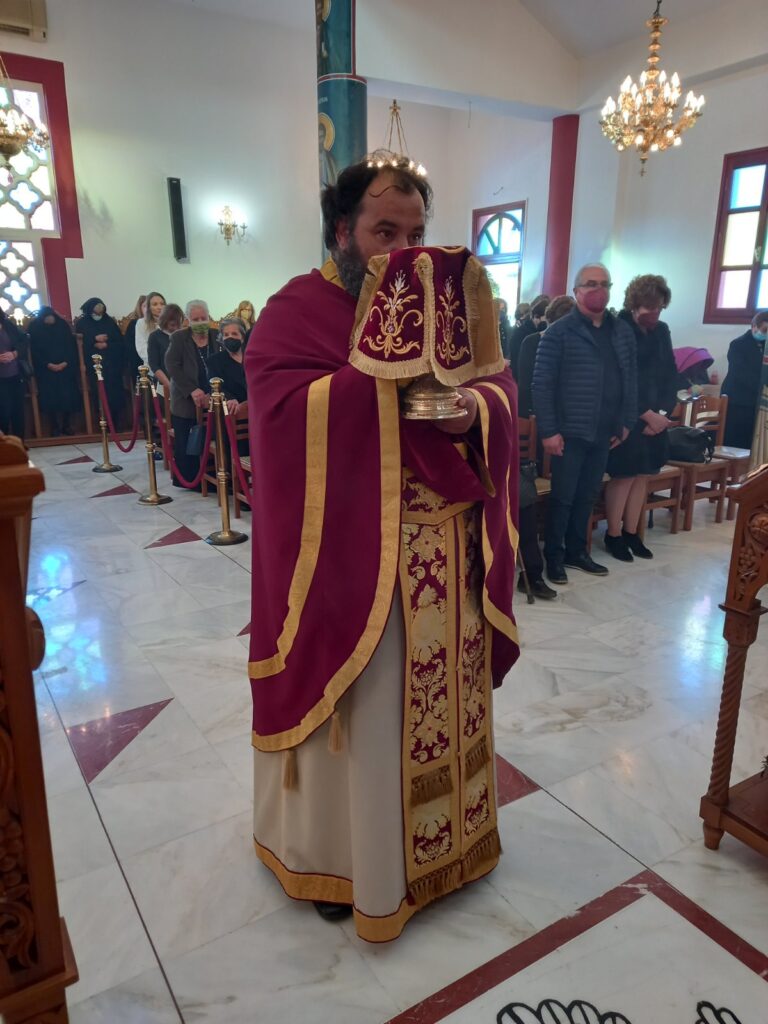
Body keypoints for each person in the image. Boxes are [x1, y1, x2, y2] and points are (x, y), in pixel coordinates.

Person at [245, 158, 519, 943]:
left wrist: (471, 410)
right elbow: (282, 414)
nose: (403, 249)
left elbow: (496, 383)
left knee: (439, 704)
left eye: (416, 232)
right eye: (384, 231)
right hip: (356, 554)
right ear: (343, 232)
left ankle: (451, 845)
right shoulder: (296, 310)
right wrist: (381, 378)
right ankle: (348, 861)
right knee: (368, 709)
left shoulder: (448, 305)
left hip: (445, 550)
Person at [532, 263, 637, 584]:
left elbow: (630, 378)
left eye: (604, 284)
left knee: (588, 494)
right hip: (569, 430)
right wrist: (549, 431)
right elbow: (542, 384)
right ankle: (554, 556)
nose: (598, 290)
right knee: (563, 497)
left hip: (605, 430)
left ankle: (577, 551)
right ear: (577, 291)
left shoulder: (621, 331)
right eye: (591, 284)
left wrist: (627, 421)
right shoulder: (559, 332)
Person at [603, 275, 678, 562]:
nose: (655, 313)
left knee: (643, 476)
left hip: (656, 417)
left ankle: (632, 532)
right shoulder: (619, 328)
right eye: (650, 307)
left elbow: (670, 373)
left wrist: (662, 415)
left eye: (659, 307)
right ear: (634, 304)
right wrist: (645, 415)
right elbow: (619, 379)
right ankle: (613, 534)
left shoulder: (662, 330)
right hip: (627, 416)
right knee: (625, 476)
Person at [164, 299, 219, 487]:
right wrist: (191, 389)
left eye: (203, 318)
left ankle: (212, 477)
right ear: (188, 320)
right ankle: (189, 480)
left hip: (213, 398)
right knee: (188, 441)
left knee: (212, 437)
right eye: (196, 319)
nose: (200, 322)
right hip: (186, 398)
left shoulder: (216, 335)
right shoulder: (179, 338)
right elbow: (172, 365)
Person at [517, 295, 575, 418]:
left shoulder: (531, 341)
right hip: (539, 413)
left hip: (559, 413)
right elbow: (525, 385)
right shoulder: (531, 342)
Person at [28, 307, 81, 436]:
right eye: (47, 317)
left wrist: (65, 363)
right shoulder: (35, 328)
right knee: (50, 399)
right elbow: (34, 351)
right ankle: (54, 426)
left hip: (65, 369)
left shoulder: (62, 326)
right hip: (46, 371)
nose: (50, 319)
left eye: (51, 316)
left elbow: (71, 346)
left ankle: (67, 425)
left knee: (68, 397)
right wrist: (48, 364)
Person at [721, 310, 768, 449]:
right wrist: (763, 388)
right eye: (765, 330)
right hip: (738, 400)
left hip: (757, 401)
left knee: (753, 442)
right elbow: (741, 374)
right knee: (736, 442)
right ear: (754, 326)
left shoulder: (765, 345)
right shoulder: (738, 344)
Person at [78, 298, 127, 427]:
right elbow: (79, 343)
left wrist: (107, 344)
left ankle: (116, 422)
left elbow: (119, 343)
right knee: (99, 393)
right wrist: (94, 340)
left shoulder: (109, 322)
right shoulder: (83, 323)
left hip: (112, 365)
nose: (100, 308)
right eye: (97, 306)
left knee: (115, 394)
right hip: (93, 366)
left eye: (101, 306)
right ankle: (103, 422)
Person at [207, 318, 247, 414]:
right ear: (222, 338)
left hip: (257, 409)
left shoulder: (252, 357)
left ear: (242, 337)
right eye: (226, 335)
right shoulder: (214, 361)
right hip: (229, 412)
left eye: (234, 334)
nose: (230, 337)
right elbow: (214, 388)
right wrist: (229, 398)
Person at [0, 309, 29, 440]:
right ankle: (4, 444)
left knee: (18, 411)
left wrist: (14, 353)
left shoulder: (8, 324)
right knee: (3, 412)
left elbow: (24, 341)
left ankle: (19, 443)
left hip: (15, 374)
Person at [508, 295, 549, 379]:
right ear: (536, 317)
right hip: (523, 377)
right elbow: (517, 360)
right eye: (545, 321)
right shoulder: (522, 333)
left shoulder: (528, 331)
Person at [147, 303, 183, 398]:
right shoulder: (154, 337)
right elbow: (154, 365)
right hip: (164, 386)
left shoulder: (183, 335)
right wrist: (169, 386)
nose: (176, 328)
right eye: (172, 325)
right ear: (164, 321)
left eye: (178, 324)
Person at [133, 291, 166, 369]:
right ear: (148, 307)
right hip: (152, 366)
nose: (159, 307)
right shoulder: (142, 323)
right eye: (155, 304)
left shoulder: (171, 322)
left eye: (162, 304)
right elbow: (141, 348)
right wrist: (157, 361)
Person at [123, 294, 146, 371]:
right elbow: (129, 346)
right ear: (139, 307)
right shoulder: (134, 324)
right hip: (138, 360)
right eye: (145, 306)